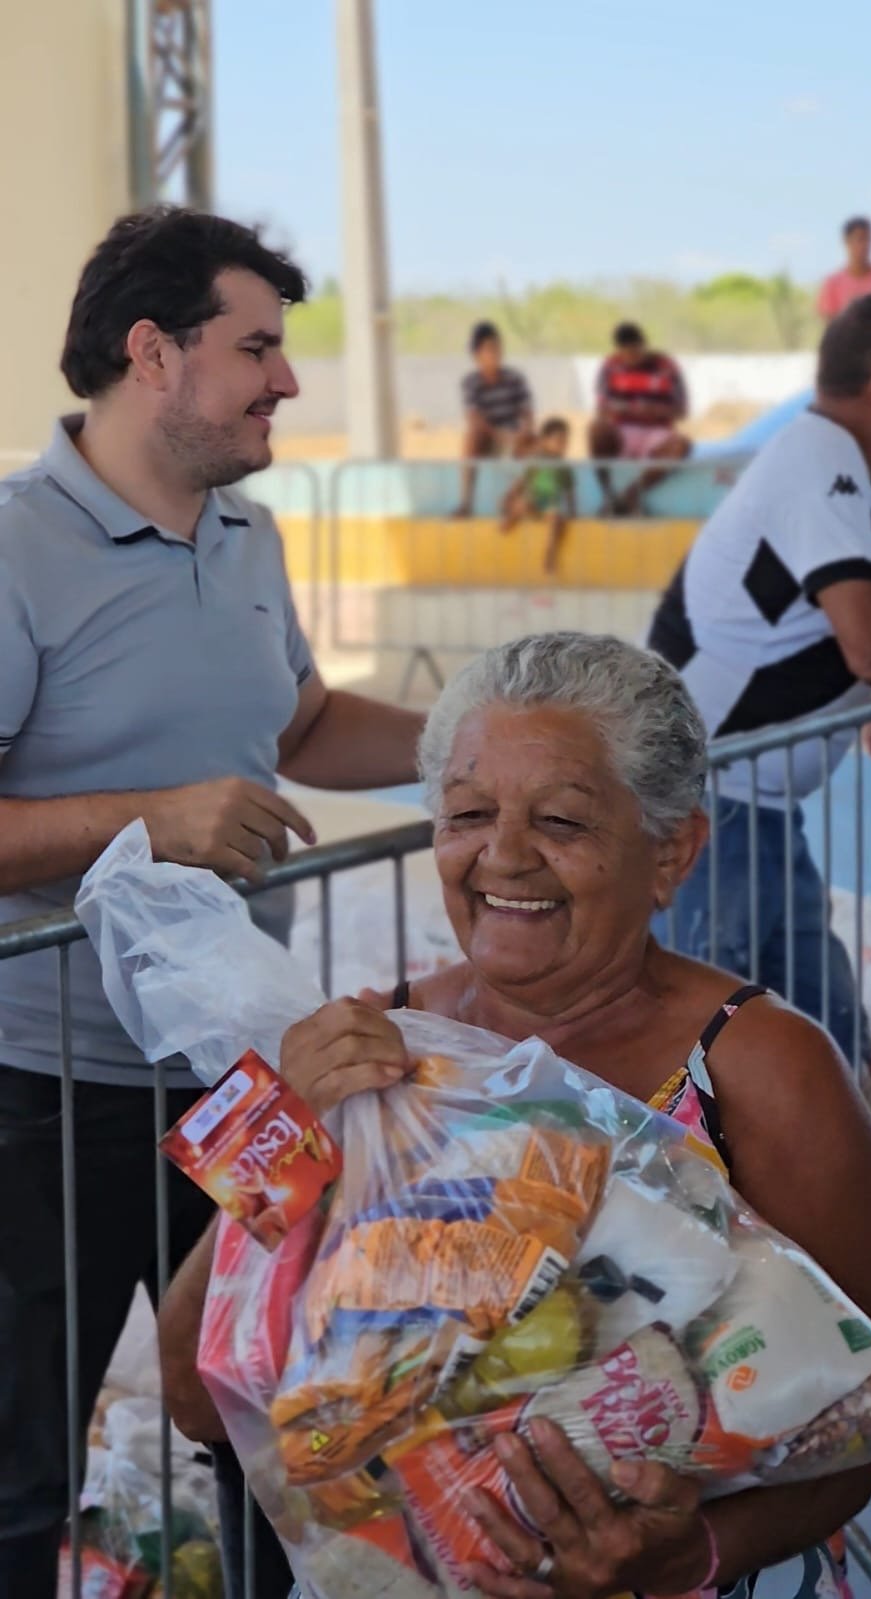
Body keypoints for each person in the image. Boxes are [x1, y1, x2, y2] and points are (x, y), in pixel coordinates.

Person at [160, 632, 871, 1599]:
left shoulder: (765, 1068)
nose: (503, 856)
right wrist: (282, 1132)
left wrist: (688, 1556)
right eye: (468, 813)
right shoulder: (353, 1046)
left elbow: (864, 1419)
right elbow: (195, 1397)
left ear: (671, 850)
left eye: (561, 820)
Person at [0, 204, 424, 1599]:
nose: (284, 379)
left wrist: (478, 736)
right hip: (46, 1094)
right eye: (256, 348)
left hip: (246, 1088)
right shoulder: (13, 546)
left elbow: (301, 726)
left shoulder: (248, 536)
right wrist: (150, 821)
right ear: (152, 352)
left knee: (284, 1425)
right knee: (22, 1467)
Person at [648, 292, 871, 1077]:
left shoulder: (867, 479)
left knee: (825, 1031)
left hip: (756, 810)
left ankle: (844, 1131)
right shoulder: (816, 461)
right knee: (693, 1050)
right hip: (706, 808)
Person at [588, 322, 690, 516]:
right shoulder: (610, 366)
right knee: (596, 429)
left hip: (657, 432)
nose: (631, 358)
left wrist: (658, 411)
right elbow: (601, 409)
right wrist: (625, 410)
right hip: (623, 430)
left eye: (635, 352)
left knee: (681, 445)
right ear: (618, 351)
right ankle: (608, 494)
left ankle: (630, 496)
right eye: (626, 354)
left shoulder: (666, 366)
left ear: (644, 345)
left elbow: (682, 410)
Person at [456, 321, 534, 517]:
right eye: (490, 348)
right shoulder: (471, 382)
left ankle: (518, 502)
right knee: (471, 437)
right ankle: (466, 503)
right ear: (477, 355)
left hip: (514, 438)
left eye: (498, 347)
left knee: (538, 447)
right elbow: (474, 418)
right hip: (490, 439)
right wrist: (501, 436)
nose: (496, 353)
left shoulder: (515, 378)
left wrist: (524, 432)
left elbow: (527, 413)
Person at [500, 417, 575, 575]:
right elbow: (523, 481)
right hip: (534, 499)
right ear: (545, 441)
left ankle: (550, 551)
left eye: (565, 441)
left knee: (557, 520)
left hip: (550, 505)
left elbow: (569, 491)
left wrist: (573, 511)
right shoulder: (537, 460)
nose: (563, 445)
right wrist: (511, 494)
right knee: (523, 503)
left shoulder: (564, 466)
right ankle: (511, 518)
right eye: (558, 441)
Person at [818, 217, 871, 322]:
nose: (865, 245)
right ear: (847, 241)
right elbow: (830, 324)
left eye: (868, 239)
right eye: (860, 239)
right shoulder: (833, 283)